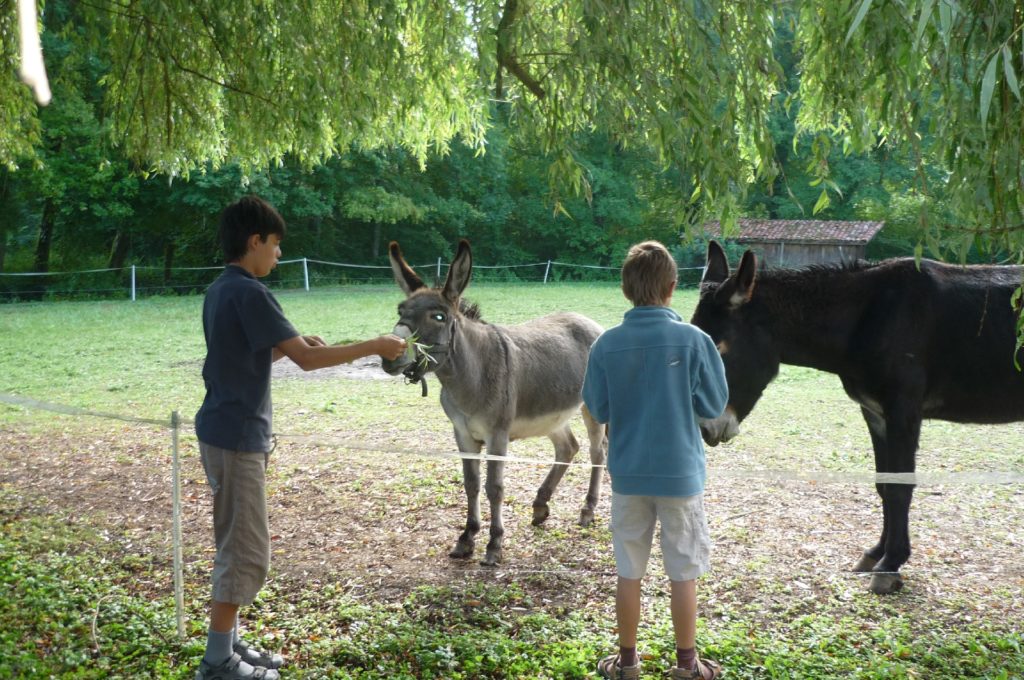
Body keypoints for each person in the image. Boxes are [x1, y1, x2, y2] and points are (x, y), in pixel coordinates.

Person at [193, 195, 407, 680]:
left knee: (237, 540)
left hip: (223, 430)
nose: (279, 254)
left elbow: (246, 356)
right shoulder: (251, 293)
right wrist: (374, 345)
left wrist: (290, 346)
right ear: (255, 241)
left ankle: (229, 643)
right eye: (275, 244)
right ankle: (217, 662)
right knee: (245, 549)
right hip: (237, 436)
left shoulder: (222, 289)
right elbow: (309, 362)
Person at [582, 240, 728, 680]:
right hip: (680, 475)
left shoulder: (606, 345)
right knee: (683, 572)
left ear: (626, 289)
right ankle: (687, 666)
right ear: (672, 286)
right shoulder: (694, 340)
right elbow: (714, 404)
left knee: (629, 571)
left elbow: (599, 409)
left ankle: (627, 664)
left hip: (627, 474)